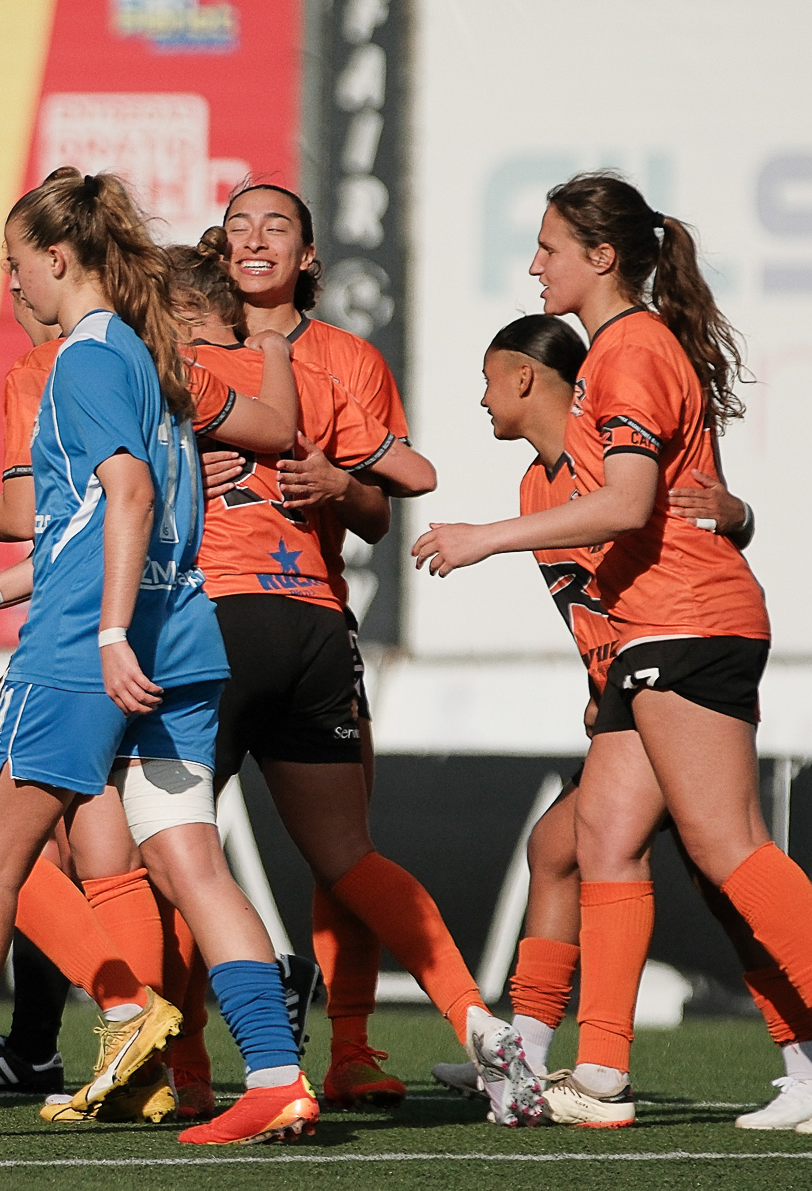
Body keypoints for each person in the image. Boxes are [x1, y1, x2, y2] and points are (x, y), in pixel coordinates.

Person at [0, 169, 314, 1145]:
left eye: (13, 263)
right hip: (187, 639)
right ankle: (279, 1075)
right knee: (194, 867)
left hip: (87, 649)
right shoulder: (156, 358)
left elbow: (122, 496)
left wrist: (108, 633)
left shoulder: (84, 360)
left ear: (57, 257)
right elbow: (252, 437)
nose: (12, 283)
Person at [412, 171, 812, 1134]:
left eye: (550, 246)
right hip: (668, 626)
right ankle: (601, 1073)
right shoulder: (630, 351)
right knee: (598, 839)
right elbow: (697, 501)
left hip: (686, 622)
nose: (534, 264)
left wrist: (481, 538)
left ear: (602, 258)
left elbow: (633, 505)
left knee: (726, 848)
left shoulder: (630, 347)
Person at [424, 314, 812, 1129]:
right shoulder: (536, 483)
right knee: (568, 847)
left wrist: (739, 513)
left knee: (714, 873)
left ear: (523, 379)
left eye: (486, 378)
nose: (479, 398)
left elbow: (685, 529)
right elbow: (597, 597)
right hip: (631, 683)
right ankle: (538, 1055)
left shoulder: (602, 456)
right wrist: (600, 676)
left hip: (677, 668)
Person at [172, 238, 545, 1127]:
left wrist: (311, 477)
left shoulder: (176, 367)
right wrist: (326, 470)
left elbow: (119, 495)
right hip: (311, 625)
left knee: (172, 849)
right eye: (239, 224)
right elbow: (416, 475)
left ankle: (190, 1065)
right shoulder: (301, 367)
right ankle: (471, 1019)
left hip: (216, 623)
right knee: (346, 856)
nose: (254, 239)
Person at [216, 183, 487, 1115]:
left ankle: (353, 1051)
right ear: (217, 251)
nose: (254, 240)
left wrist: (337, 481)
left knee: (332, 854)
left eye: (275, 226)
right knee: (174, 845)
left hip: (307, 620)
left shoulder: (348, 361)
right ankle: (174, 1056)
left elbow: (377, 511)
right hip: (219, 619)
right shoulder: (181, 352)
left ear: (309, 257)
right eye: (238, 226)